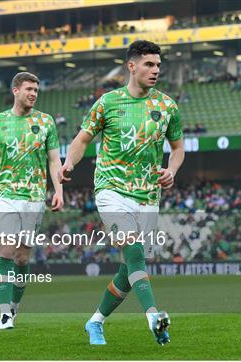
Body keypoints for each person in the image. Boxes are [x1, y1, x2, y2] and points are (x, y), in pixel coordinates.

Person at [59, 40, 185, 346]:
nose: (156, 70)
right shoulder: (108, 103)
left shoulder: (167, 106)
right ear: (132, 66)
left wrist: (172, 170)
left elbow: (178, 148)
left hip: (148, 195)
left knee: (131, 267)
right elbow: (82, 138)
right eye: (149, 64)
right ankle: (154, 317)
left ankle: (95, 321)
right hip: (111, 190)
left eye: (158, 65)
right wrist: (68, 162)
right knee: (135, 251)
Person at [0, 72, 64, 330]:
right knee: (6, 251)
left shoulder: (46, 122)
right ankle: (4, 315)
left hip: (34, 197)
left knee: (22, 258)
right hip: (6, 194)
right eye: (29, 89)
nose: (33, 94)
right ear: (15, 90)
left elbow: (54, 159)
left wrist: (59, 190)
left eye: (36, 90)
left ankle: (14, 308)